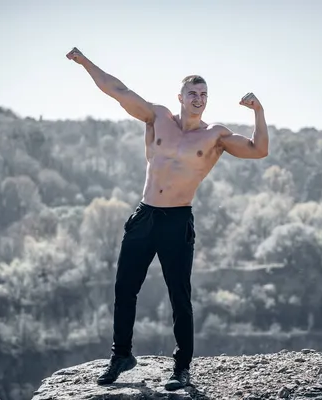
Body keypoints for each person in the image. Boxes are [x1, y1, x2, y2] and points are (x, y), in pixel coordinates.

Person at [66, 46, 269, 391]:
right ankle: (121, 356)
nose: (199, 98)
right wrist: (85, 62)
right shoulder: (158, 117)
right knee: (124, 288)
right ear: (180, 96)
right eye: (193, 92)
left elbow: (259, 149)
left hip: (177, 221)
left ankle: (182, 368)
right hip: (145, 215)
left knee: (179, 295)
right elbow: (118, 91)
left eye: (204, 94)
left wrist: (259, 111)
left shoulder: (214, 135)